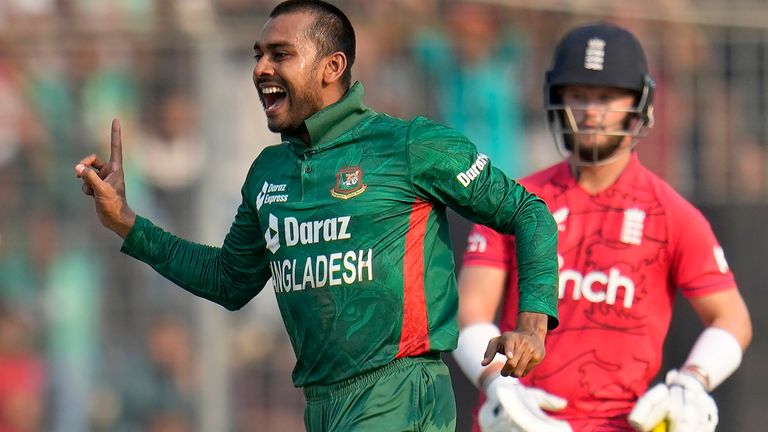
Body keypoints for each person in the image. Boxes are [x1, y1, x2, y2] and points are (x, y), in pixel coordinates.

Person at [74, 1, 561, 430]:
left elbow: (527, 211)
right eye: (257, 55)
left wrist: (533, 323)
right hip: (321, 405)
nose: (261, 68)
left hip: (399, 394)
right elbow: (228, 280)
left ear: (332, 66)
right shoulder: (269, 171)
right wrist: (128, 225)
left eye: (280, 54)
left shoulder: (409, 145)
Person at [453, 22, 752, 432]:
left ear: (639, 104)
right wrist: (498, 389)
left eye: (607, 97)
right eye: (579, 95)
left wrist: (693, 384)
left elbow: (732, 318)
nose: (592, 111)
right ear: (557, 100)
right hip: (521, 421)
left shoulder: (671, 213)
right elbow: (469, 312)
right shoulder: (512, 200)